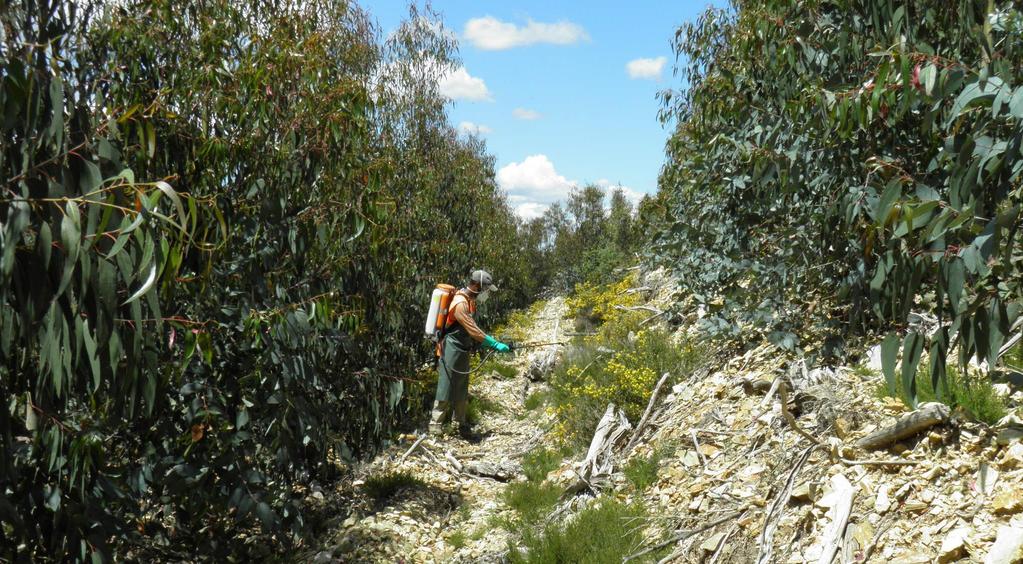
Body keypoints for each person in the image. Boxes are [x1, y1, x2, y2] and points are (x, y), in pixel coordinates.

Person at [429, 270, 511, 438]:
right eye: (485, 289)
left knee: (461, 386)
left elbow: (471, 329)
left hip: (462, 348)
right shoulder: (460, 303)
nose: (486, 293)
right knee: (446, 384)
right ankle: (435, 425)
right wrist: (493, 343)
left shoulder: (470, 301)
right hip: (450, 347)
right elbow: (473, 329)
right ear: (476, 286)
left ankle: (459, 423)